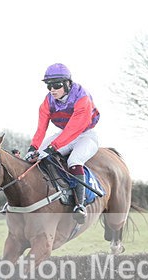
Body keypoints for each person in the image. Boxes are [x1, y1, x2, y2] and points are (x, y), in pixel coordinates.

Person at [25, 63, 100, 223]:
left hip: (85, 135)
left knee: (74, 161)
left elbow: (74, 128)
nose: (52, 89)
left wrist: (53, 148)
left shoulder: (82, 97)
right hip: (63, 134)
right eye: (49, 86)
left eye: (56, 85)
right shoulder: (48, 101)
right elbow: (41, 127)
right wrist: (34, 147)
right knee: (37, 157)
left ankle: (80, 205)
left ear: (67, 83)